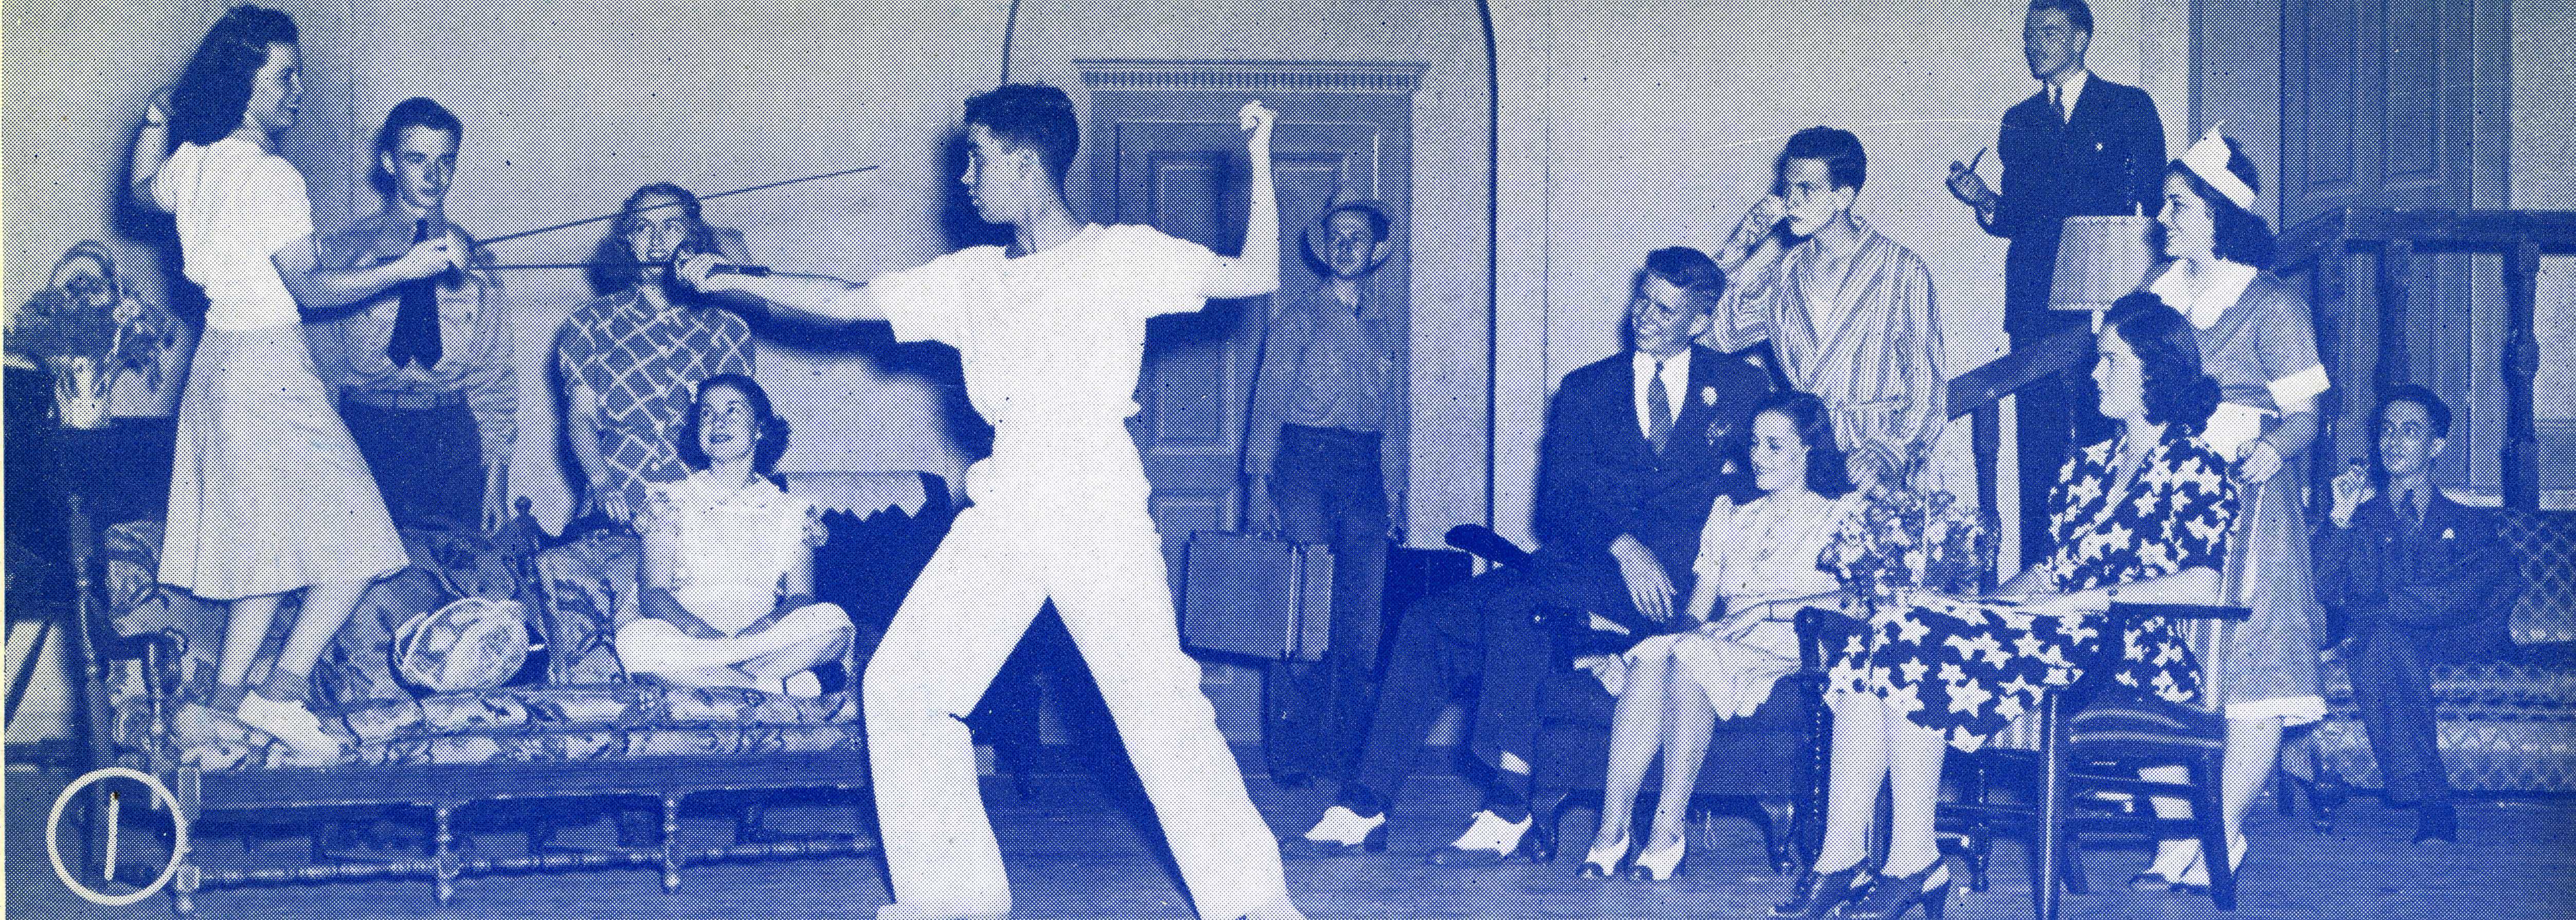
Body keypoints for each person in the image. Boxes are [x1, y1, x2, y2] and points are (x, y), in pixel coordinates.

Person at [674, 84, 1302, 920]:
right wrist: (726, 276)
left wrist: (1259, 158)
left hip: (1094, 499)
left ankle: (1256, 904)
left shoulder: (1122, 256)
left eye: (975, 159)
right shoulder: (969, 279)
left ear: (1022, 160)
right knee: (902, 686)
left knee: (1156, 704)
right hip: (1008, 502)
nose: (964, 178)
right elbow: (847, 299)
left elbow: (1255, 272)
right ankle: (952, 900)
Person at [1292, 247, 1774, 863]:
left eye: (1664, 309)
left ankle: (1508, 807)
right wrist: (1624, 545)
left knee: (1517, 612)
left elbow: (1785, 465)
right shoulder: (1586, 388)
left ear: (1699, 322)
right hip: (1584, 567)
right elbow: (1556, 501)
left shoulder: (1737, 387)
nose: (1644, 316)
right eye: (1641, 299)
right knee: (1427, 619)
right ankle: (1365, 803)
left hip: (1673, 589)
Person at [1777, 293, 2237, 920]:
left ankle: (1910, 861)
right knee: (1893, 628)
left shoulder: (2196, 467)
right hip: (2053, 635)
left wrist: (2087, 601)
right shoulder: (2086, 468)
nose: (2094, 373)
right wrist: (1974, 605)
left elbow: (2203, 583)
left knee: (1912, 639)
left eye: (2110, 361)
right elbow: (2047, 572)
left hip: (2128, 648)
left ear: (2154, 371)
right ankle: (1843, 856)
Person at [127, 5, 462, 759]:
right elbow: (309, 289)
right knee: (363, 543)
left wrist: (155, 118)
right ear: (243, 83)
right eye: (284, 77)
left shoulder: (197, 161)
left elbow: (143, 188)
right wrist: (408, 266)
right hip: (269, 365)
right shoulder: (273, 176)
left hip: (217, 365)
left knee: (270, 550)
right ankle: (280, 695)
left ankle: (221, 707)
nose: (299, 90)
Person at [2124, 128, 2328, 892]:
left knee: (2248, 674)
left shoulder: (2270, 302)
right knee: (2148, 665)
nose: (2162, 218)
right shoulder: (2157, 294)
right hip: (2163, 497)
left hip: (2245, 502)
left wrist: (2272, 448)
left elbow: (2304, 417)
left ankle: (2221, 832)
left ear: (2218, 213)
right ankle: (2177, 834)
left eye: (2177, 205)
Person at [1578, 390, 1861, 881]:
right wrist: (1666, 638)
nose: (1758, 456)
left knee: (1690, 655)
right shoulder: (1731, 515)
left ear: (1807, 449)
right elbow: (1698, 608)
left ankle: (1666, 828)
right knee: (1655, 656)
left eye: (1774, 445)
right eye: (1754, 443)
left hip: (1788, 645)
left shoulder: (1838, 517)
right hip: (1720, 641)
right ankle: (1613, 828)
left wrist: (1764, 610)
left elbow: (1851, 603)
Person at [1943, 0, 2166, 569]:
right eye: (2028, 34)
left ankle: (2105, 566)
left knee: (2105, 431)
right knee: (2038, 445)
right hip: (2035, 305)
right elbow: (2016, 217)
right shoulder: (2018, 121)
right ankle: (2038, 568)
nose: (2032, 44)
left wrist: (2140, 291)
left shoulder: (2127, 106)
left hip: (2103, 299)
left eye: (2046, 31)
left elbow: (2151, 206)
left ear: (2081, 38)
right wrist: (1981, 199)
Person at [2313, 385, 2524, 844]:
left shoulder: (2469, 521)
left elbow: (2486, 589)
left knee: (2491, 568)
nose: (2393, 441)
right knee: (2387, 639)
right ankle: (2433, 800)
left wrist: (2385, 606)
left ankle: (2390, 615)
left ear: (2435, 445)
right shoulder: (2359, 518)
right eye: (2386, 430)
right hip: (2388, 644)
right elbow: (2323, 590)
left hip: (2452, 636)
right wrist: (2340, 519)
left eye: (2409, 430)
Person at [1246, 195, 1407, 788]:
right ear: (1321, 248)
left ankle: (1344, 756)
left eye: (1356, 237)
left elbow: (1392, 420)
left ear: (1376, 250)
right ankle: (1292, 756)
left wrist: (1394, 493)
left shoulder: (1385, 328)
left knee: (1359, 622)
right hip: (1302, 467)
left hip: (1364, 474)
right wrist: (1259, 488)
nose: (1344, 247)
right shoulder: (1296, 321)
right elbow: (1266, 406)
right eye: (1334, 237)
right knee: (1302, 616)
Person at [307, 97, 517, 531]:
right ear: (389, 163)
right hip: (365, 433)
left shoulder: (478, 262)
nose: (433, 176)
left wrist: (495, 479)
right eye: (417, 160)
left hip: (450, 436)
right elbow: (318, 370)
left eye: (445, 161)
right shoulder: (341, 256)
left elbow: (495, 379)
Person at [1710, 126, 1947, 477]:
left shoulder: (1901, 268)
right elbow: (1719, 336)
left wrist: (1887, 453)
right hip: (1805, 464)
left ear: (1843, 197)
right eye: (1787, 188)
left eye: (1806, 189)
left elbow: (1928, 388)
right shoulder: (1783, 272)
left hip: (1879, 463)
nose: (1791, 201)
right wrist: (1739, 246)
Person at [621, 374, 853, 698]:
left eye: (733, 410)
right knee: (636, 639)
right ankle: (771, 683)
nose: (718, 421)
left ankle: (726, 681)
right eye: (707, 413)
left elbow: (800, 598)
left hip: (764, 637)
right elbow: (654, 595)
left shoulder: (793, 509)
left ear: (759, 429)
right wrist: (700, 632)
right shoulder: (668, 501)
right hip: (689, 637)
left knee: (831, 622)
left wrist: (762, 628)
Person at [554, 183, 755, 527]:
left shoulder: (728, 328)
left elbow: (738, 429)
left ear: (694, 238)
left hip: (701, 510)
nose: (658, 241)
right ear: (628, 241)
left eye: (671, 226)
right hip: (616, 503)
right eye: (643, 228)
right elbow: (581, 418)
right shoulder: (590, 322)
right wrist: (602, 483)